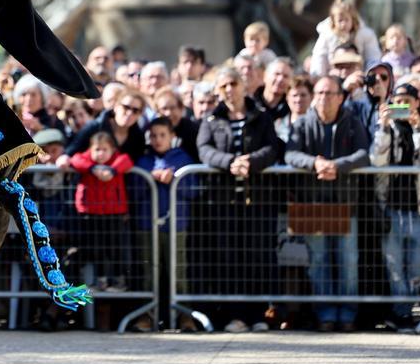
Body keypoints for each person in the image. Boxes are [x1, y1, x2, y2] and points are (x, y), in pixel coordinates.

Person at [196, 67, 284, 333]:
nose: (228, 90)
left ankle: (258, 314)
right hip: (224, 202)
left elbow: (273, 147)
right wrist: (229, 162)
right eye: (222, 86)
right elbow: (204, 149)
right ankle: (235, 316)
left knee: (257, 257)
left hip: (257, 199)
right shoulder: (212, 118)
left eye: (232, 84)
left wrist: (252, 162)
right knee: (229, 259)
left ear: (243, 86)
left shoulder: (261, 116)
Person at [284, 75, 370, 331]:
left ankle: (347, 315)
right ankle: (325, 314)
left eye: (329, 93)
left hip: (345, 203)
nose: (323, 98)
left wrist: (337, 167)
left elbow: (364, 154)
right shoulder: (302, 124)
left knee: (348, 261)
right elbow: (291, 153)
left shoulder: (352, 122)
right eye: (319, 93)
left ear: (340, 97)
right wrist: (315, 164)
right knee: (319, 262)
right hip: (313, 204)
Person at [369, 82, 420, 330]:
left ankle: (409, 306)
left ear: (418, 102)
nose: (403, 105)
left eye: (408, 100)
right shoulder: (386, 127)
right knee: (394, 264)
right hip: (391, 207)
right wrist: (383, 127)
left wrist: (418, 129)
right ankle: (403, 313)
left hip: (419, 206)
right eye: (398, 101)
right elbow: (377, 159)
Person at [130, 116, 199, 330]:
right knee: (149, 271)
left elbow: (194, 191)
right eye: (154, 136)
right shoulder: (143, 161)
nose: (158, 140)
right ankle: (147, 316)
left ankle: (184, 316)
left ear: (172, 136)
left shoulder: (182, 159)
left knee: (178, 271)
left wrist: (175, 179)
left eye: (163, 135)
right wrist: (149, 178)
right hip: (147, 224)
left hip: (176, 225)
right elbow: (133, 191)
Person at [69, 131, 133, 292]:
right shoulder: (87, 161)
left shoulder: (117, 160)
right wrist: (92, 168)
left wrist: (112, 171)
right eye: (97, 149)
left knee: (115, 248)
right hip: (92, 213)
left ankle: (119, 281)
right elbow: (75, 159)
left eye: (104, 149)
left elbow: (127, 161)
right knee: (97, 249)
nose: (100, 153)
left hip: (114, 213)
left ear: (112, 150)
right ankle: (101, 281)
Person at [310, 0, 381, 75]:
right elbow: (320, 56)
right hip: (334, 74)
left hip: (358, 74)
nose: (343, 24)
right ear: (333, 22)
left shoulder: (364, 35)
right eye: (340, 20)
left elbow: (372, 56)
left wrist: (370, 74)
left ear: (353, 20)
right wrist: (318, 76)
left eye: (346, 20)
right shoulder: (327, 36)